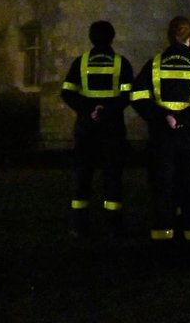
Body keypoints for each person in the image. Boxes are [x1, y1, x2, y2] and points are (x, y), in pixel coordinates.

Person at [131, 16, 190, 259]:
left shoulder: (155, 63)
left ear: (169, 37)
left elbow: (137, 96)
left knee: (162, 189)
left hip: (162, 137)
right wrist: (186, 118)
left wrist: (162, 117)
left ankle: (163, 247)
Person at [60, 20, 134, 236]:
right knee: (112, 177)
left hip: (86, 127)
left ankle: (78, 225)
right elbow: (127, 94)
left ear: (91, 38)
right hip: (112, 128)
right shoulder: (121, 63)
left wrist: (88, 110)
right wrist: (107, 110)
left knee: (83, 176)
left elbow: (67, 92)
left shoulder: (81, 62)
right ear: (112, 37)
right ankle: (113, 225)